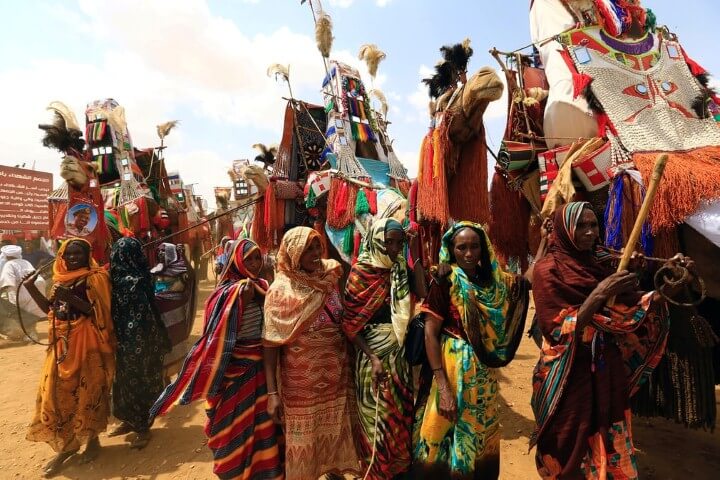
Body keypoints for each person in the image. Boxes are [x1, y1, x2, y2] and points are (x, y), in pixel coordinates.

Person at [530, 202, 681, 479]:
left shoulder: (600, 264)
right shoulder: (547, 270)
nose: (590, 232)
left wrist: (675, 280)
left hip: (605, 368)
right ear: (564, 230)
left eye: (593, 225)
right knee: (567, 442)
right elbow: (559, 328)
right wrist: (600, 292)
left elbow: (628, 307)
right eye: (581, 226)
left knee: (608, 427)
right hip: (567, 372)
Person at [151, 239, 283, 479]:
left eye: (257, 258)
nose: (255, 263)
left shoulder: (264, 286)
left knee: (261, 428)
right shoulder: (225, 294)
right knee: (231, 429)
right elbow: (216, 337)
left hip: (260, 370)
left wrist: (259, 296)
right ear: (236, 261)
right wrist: (241, 302)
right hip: (232, 374)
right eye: (249, 259)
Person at [413, 221, 530, 480]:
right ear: (451, 249)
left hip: (483, 375)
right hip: (452, 372)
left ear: (483, 248)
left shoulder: (492, 282)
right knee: (446, 432)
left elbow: (523, 284)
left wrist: (543, 241)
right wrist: (443, 387)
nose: (468, 253)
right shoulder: (445, 281)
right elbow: (430, 334)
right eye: (461, 247)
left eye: (475, 247)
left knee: (479, 433)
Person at [263, 226, 359, 480]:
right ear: (293, 254)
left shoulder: (330, 276)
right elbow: (270, 345)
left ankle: (335, 473)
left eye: (317, 247)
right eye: (308, 249)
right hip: (301, 387)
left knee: (336, 433)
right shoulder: (280, 291)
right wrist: (272, 394)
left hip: (336, 378)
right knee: (304, 443)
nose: (316, 253)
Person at [22, 238, 115, 478]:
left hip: (87, 343)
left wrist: (71, 297)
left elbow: (100, 313)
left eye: (78, 254)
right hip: (61, 344)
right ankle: (67, 446)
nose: (73, 258)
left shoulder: (95, 278)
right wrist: (31, 288)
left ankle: (92, 441)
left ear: (87, 256)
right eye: (68, 254)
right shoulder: (60, 279)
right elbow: (51, 310)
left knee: (88, 391)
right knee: (57, 393)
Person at [341, 218, 415, 479]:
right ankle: (375, 471)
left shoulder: (400, 269)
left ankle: (396, 469)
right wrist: (373, 357)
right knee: (374, 416)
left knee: (398, 413)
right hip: (371, 358)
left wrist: (412, 254)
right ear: (376, 241)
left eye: (399, 243)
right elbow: (350, 326)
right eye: (389, 242)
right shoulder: (360, 274)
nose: (394, 249)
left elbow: (422, 289)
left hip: (399, 357)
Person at [108, 238, 171, 449]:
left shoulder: (133, 281)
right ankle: (130, 420)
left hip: (140, 342)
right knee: (126, 382)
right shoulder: (126, 278)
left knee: (139, 383)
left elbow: (144, 313)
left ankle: (143, 427)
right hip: (129, 341)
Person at [0, 245, 46, 341]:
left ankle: (29, 335)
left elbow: (7, 282)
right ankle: (28, 333)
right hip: (34, 291)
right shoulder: (26, 262)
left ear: (6, 256)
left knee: (22, 315)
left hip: (21, 293)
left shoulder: (9, 264)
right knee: (30, 314)